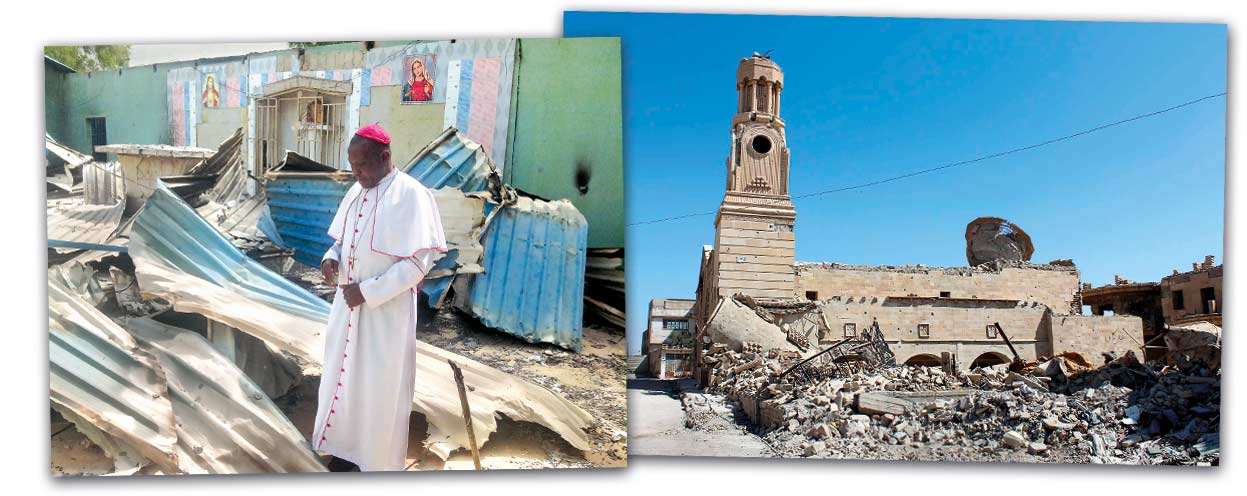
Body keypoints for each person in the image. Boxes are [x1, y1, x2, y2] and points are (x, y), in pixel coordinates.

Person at [312, 123, 447, 472]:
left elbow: (417, 264)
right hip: (347, 310)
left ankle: (373, 465)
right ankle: (344, 453)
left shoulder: (412, 195)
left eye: (362, 166)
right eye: (352, 166)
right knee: (344, 383)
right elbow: (343, 241)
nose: (356, 173)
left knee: (378, 390)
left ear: (385, 157)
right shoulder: (356, 192)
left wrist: (368, 292)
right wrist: (331, 258)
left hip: (384, 315)